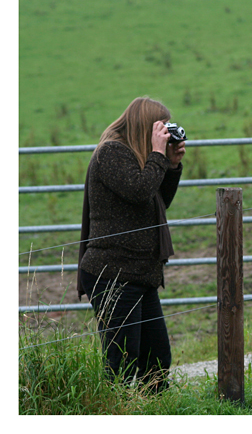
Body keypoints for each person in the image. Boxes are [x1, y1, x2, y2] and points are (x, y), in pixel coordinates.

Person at [76, 96, 186, 393]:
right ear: (145, 126)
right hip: (112, 273)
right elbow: (139, 191)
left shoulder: (138, 157)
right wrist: (158, 155)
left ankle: (154, 413)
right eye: (161, 127)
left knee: (157, 359)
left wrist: (171, 166)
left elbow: (156, 205)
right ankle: (116, 413)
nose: (165, 133)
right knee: (122, 362)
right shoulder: (111, 153)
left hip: (139, 273)